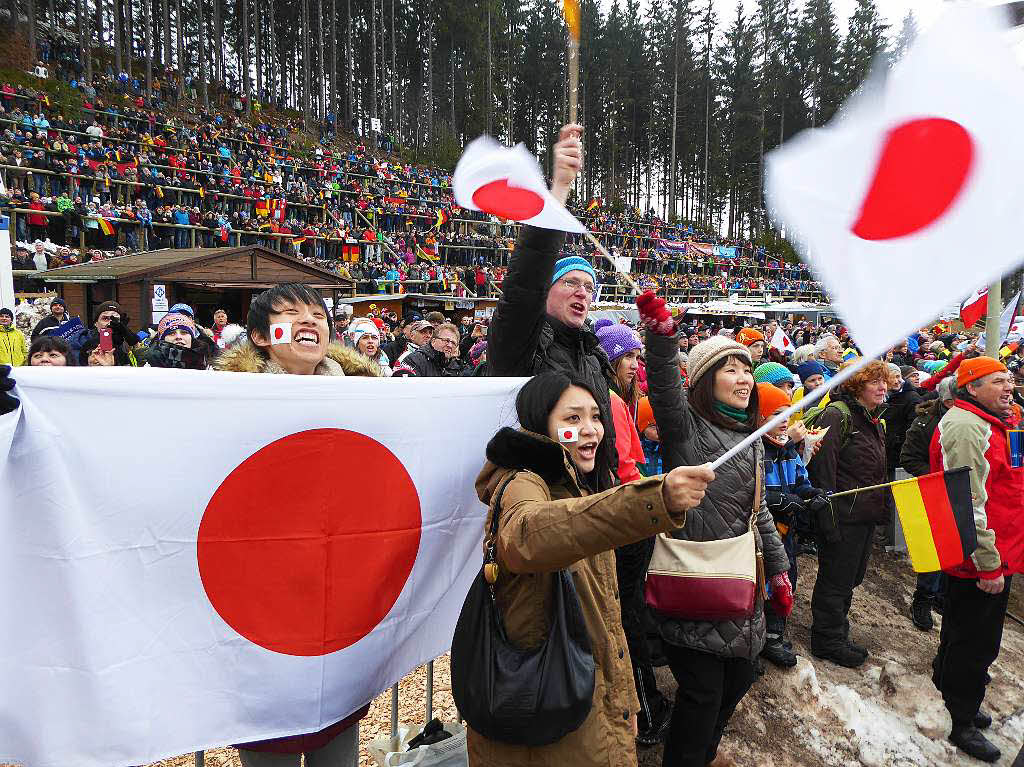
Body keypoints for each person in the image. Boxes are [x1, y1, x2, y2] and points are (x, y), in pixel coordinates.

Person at [468, 371, 715, 767]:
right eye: (572, 419)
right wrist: (654, 498)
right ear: (540, 424)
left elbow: (607, 618)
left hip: (590, 703)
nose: (591, 430)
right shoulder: (521, 483)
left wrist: (626, 700)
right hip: (547, 714)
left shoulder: (579, 488)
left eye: (596, 417)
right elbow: (528, 535)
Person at [211, 284, 380, 767]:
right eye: (290, 314)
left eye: (317, 314)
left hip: (337, 595)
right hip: (259, 597)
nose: (309, 321)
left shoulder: (369, 398)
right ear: (262, 337)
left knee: (337, 732)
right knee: (270, 737)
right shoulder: (223, 399)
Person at [638, 293, 790, 767]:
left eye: (747, 369)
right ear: (705, 380)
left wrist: (780, 568)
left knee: (741, 677)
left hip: (740, 578)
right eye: (730, 369)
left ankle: (703, 752)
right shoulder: (687, 429)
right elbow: (663, 389)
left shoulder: (752, 437)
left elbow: (757, 509)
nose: (744, 379)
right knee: (702, 691)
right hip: (695, 579)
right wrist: (662, 339)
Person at [485, 125, 621, 456]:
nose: (582, 293)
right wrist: (559, 188)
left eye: (589, 287)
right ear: (546, 291)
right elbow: (524, 285)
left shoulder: (594, 357)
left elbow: (605, 445)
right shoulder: (524, 347)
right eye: (571, 283)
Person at [929, 356, 1023, 763]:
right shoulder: (967, 426)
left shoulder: (996, 421)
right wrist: (987, 563)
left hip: (999, 551)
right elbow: (968, 500)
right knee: (976, 642)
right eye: (998, 381)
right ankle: (961, 717)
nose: (1009, 386)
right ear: (971, 387)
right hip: (982, 557)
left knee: (967, 631)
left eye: (1009, 379)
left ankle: (952, 691)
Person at [597, 320, 671, 745]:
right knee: (629, 614)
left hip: (620, 516)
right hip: (626, 519)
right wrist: (649, 505)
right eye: (626, 356)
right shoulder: (610, 401)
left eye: (636, 356)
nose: (633, 364)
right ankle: (646, 709)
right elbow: (626, 468)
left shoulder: (613, 398)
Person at [807, 360, 890, 668]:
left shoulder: (874, 419)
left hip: (864, 514)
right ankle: (827, 639)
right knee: (836, 579)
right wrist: (828, 521)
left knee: (851, 577)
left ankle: (837, 631)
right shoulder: (838, 415)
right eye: (874, 382)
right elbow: (823, 473)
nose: (882, 387)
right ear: (857, 386)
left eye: (883, 381)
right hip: (843, 515)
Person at [756, 383, 831, 669]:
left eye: (787, 413)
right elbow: (754, 491)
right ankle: (756, 640)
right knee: (762, 584)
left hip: (787, 534)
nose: (785, 420)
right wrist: (781, 500)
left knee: (786, 580)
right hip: (763, 534)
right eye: (776, 414)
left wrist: (812, 493)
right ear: (760, 418)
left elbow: (801, 481)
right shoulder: (756, 451)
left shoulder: (788, 452)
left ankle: (774, 635)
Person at [900, 377, 957, 631]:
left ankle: (943, 597)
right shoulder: (924, 423)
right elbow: (909, 458)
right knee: (934, 550)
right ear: (947, 401)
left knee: (956, 545)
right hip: (934, 491)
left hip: (961, 492)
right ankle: (923, 599)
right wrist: (938, 476)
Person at [393, 322, 466, 376]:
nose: (450, 345)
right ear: (433, 341)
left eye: (453, 343)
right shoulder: (414, 360)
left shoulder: (457, 366)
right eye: (446, 340)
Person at [143, 313, 209, 369]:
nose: (178, 337)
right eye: (171, 333)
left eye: (184, 333)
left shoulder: (208, 365)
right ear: (162, 339)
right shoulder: (149, 367)